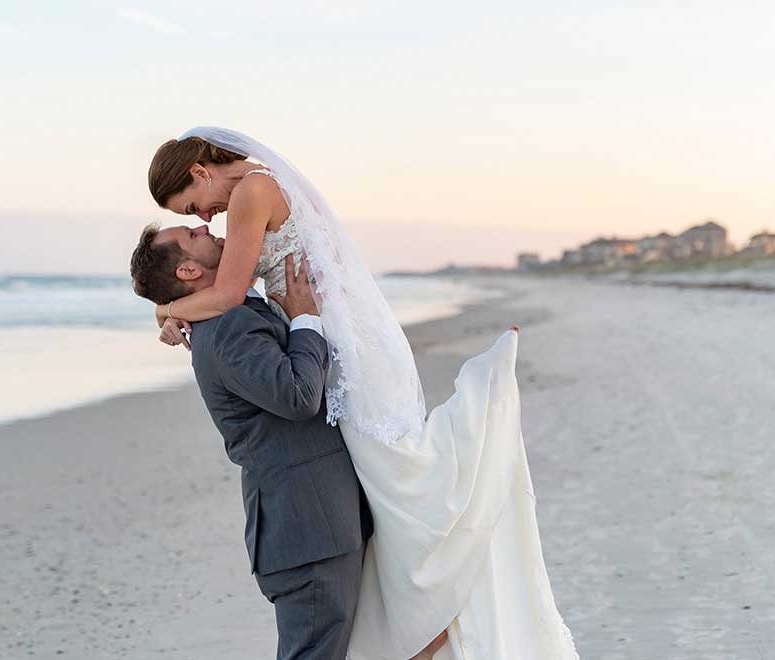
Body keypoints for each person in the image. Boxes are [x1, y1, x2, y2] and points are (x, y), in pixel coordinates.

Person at [143, 127, 579, 660]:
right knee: (393, 495)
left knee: (400, 485)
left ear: (199, 171)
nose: (204, 218)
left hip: (339, 349)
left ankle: (479, 427)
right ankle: (432, 621)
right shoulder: (260, 189)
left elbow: (231, 293)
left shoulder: (252, 193)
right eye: (191, 220)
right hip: (340, 346)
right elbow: (234, 297)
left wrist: (169, 310)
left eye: (193, 206)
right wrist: (171, 306)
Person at [131, 227, 378, 659]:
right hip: (307, 529)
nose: (207, 227)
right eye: (193, 232)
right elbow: (299, 397)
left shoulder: (231, 312)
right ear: (188, 269)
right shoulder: (227, 327)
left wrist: (168, 309)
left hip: (321, 518)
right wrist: (304, 319)